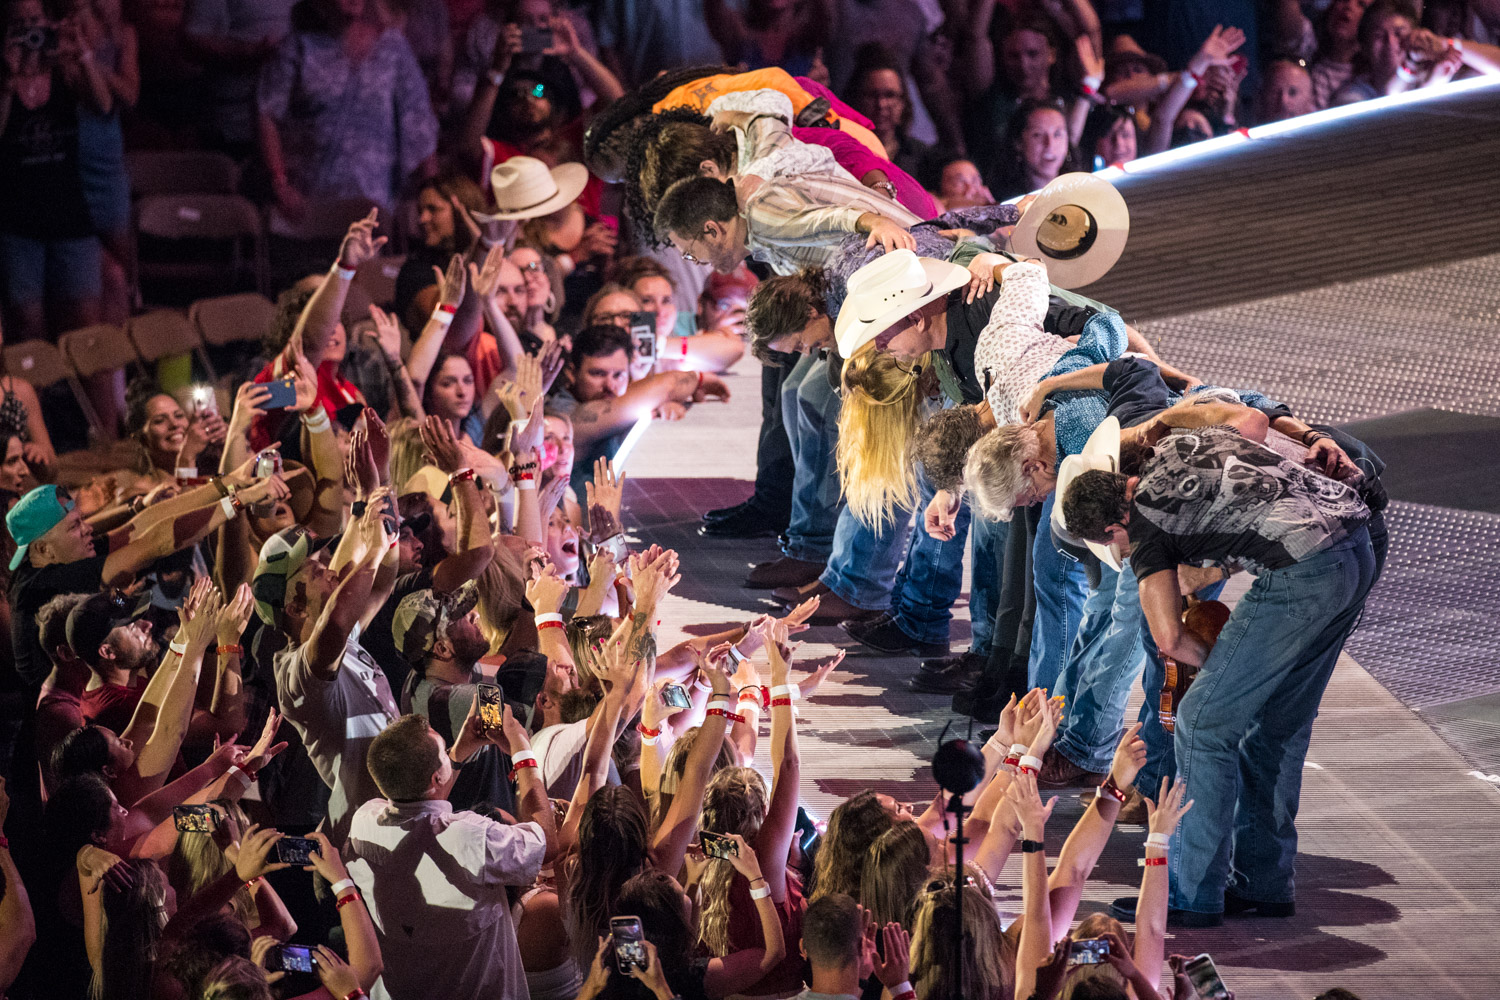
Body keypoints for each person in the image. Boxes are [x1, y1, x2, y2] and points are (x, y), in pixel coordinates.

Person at [1062, 407, 1376, 925]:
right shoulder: (1173, 448)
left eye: (1109, 543)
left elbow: (1168, 637)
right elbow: (1252, 420)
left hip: (1305, 572)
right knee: (1274, 722)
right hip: (1358, 543)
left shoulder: (1143, 528)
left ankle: (1190, 895)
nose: (1119, 549)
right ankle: (1263, 884)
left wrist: (1226, 670)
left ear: (1113, 526)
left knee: (1203, 723)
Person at [346, 710, 558, 1000]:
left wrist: (458, 752)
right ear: (436, 776)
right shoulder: (472, 837)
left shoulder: (363, 823)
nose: (449, 753)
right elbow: (547, 843)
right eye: (444, 752)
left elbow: (422, 805)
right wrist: (522, 751)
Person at [257, 0, 438, 228]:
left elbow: (420, 123)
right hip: (307, 205)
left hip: (373, 207)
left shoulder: (393, 49)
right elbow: (268, 114)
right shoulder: (298, 47)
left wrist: (431, 191)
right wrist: (280, 183)